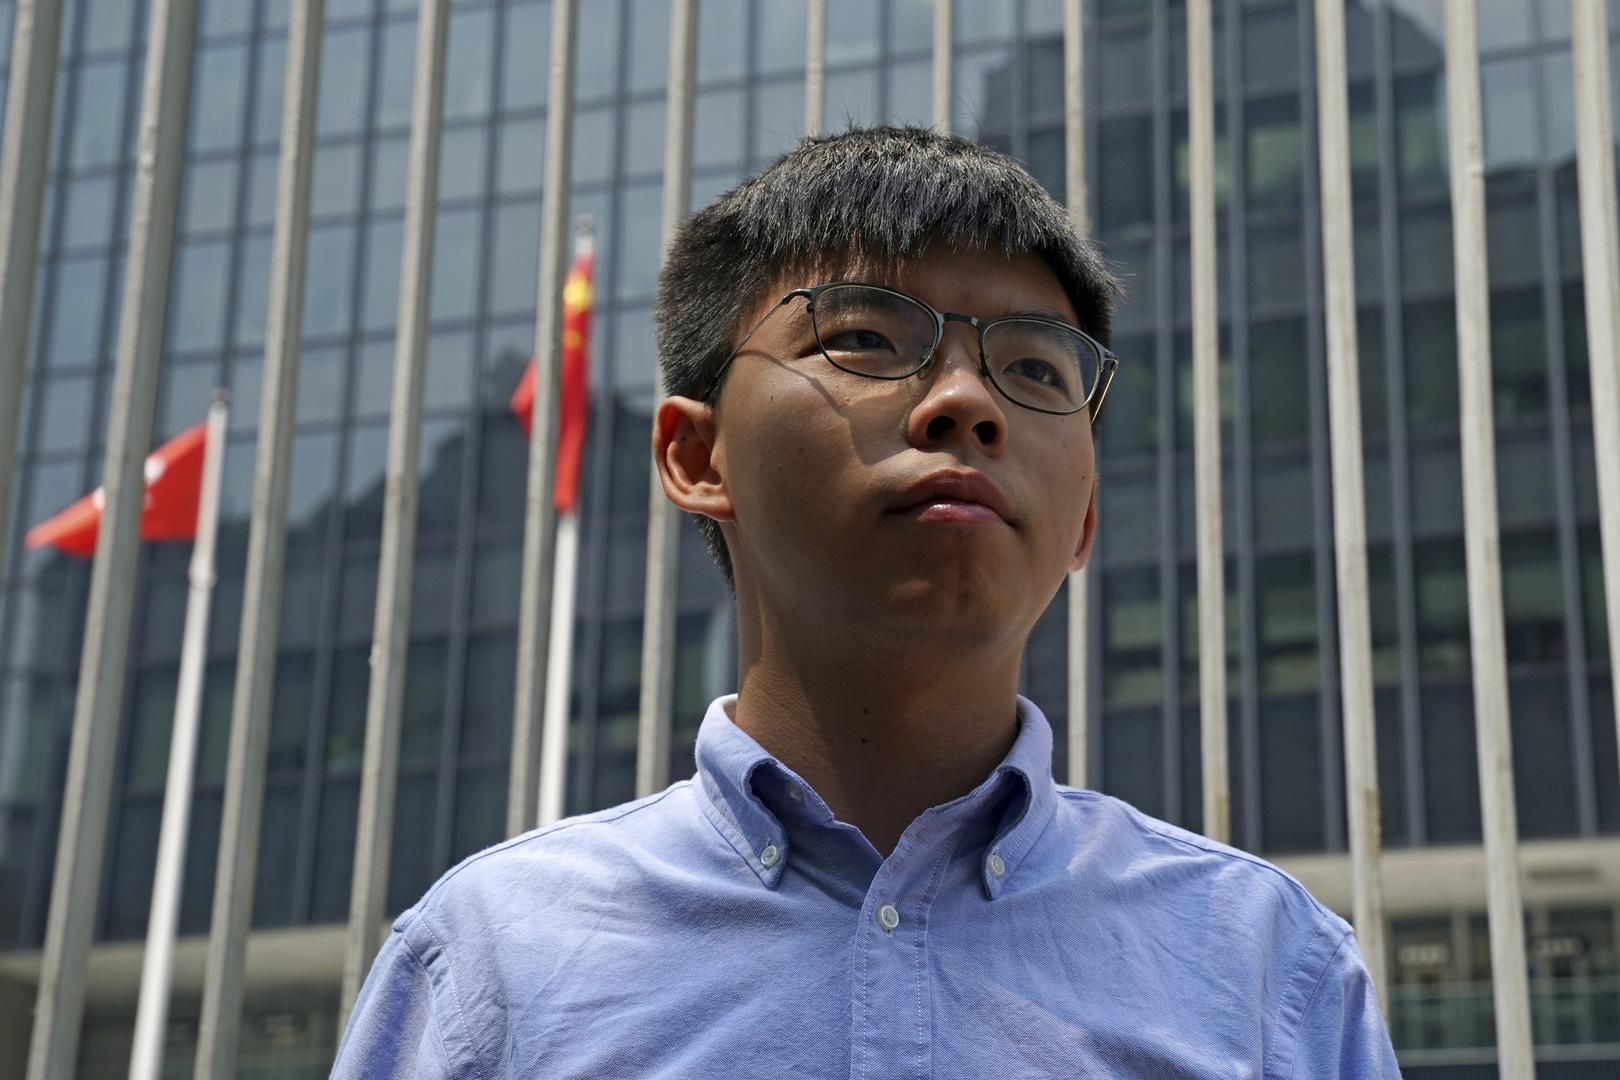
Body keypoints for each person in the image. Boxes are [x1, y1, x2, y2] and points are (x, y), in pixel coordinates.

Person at [332, 126, 1398, 1078]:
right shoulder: (495, 964)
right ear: (697, 455)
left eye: (1033, 368)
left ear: (1082, 522)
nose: (967, 404)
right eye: (869, 341)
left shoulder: (1267, 971)